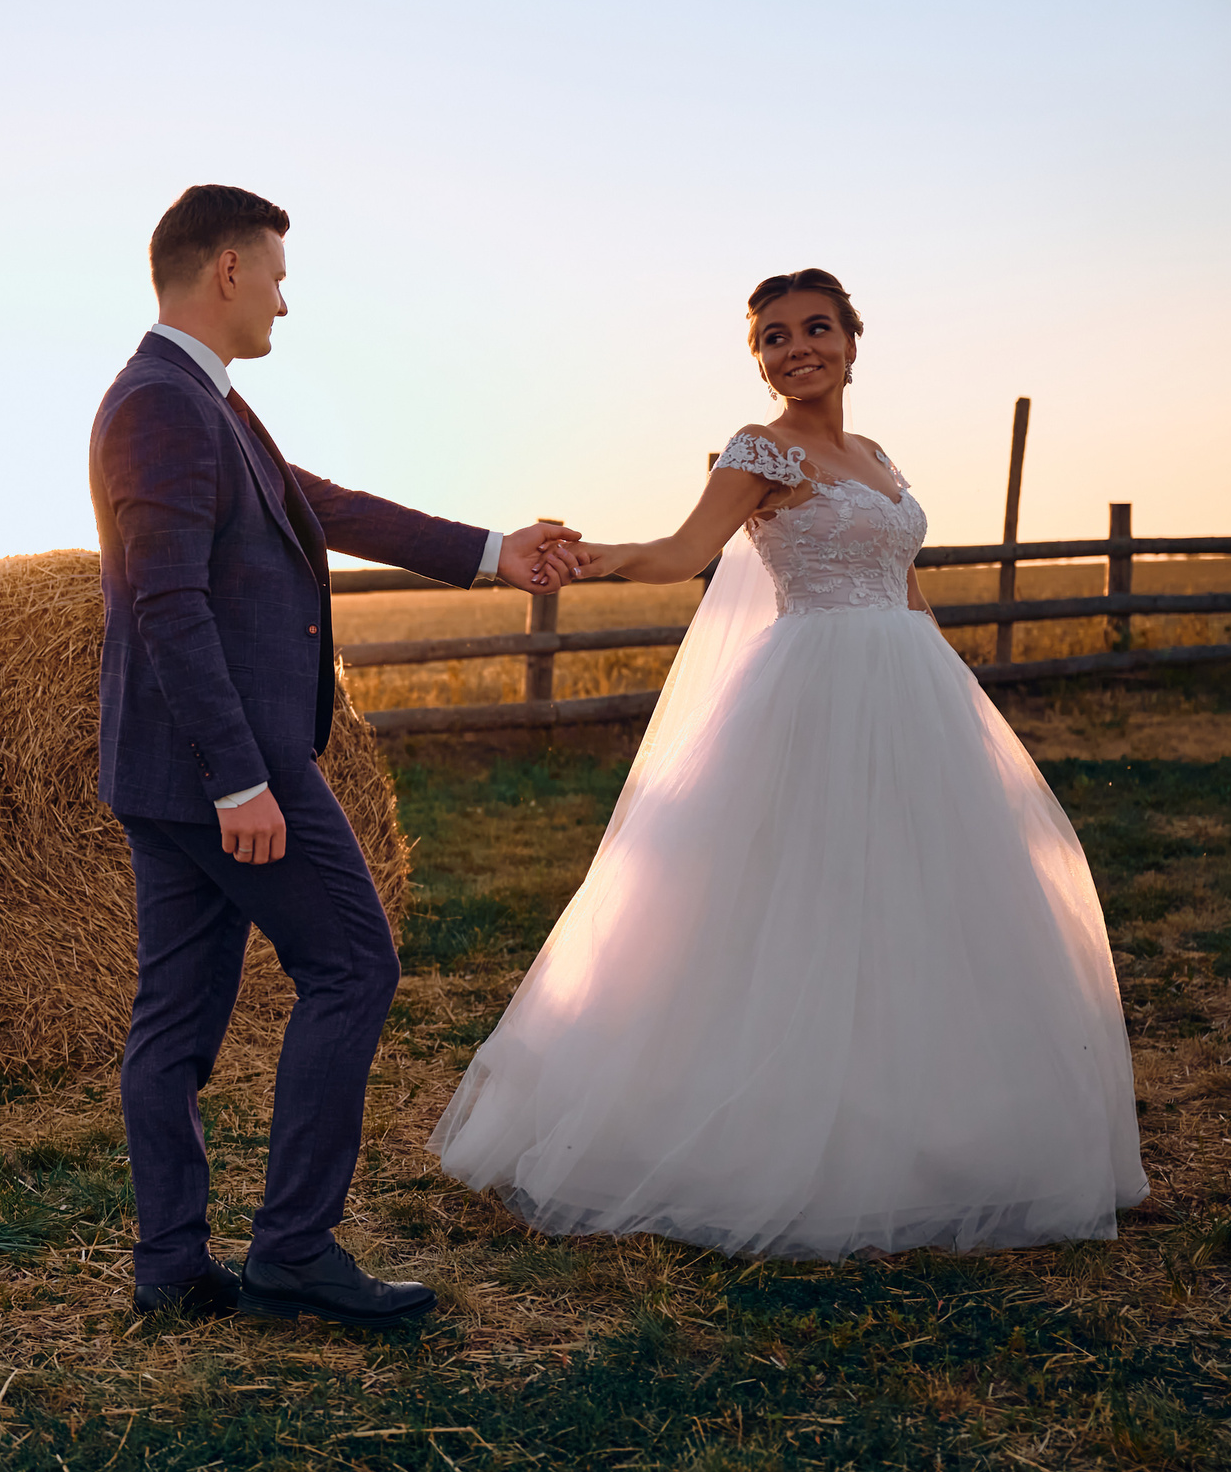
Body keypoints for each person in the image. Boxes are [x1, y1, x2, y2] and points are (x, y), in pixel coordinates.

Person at [427, 269, 1146, 1258]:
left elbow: (904, 584)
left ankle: (935, 1125)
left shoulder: (875, 455)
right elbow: (684, 552)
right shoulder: (759, 449)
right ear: (757, 357)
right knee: (802, 896)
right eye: (773, 336)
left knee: (930, 896)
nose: (796, 346)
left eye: (815, 328)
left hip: (910, 688)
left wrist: (955, 693)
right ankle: (780, 1126)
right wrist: (582, 558)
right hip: (812, 687)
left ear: (852, 340)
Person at [92, 184, 581, 1325]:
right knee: (353, 967)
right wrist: (239, 777)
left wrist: (494, 552)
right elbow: (168, 605)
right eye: (272, 275)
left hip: (169, 772)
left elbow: (322, 505)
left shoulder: (193, 400)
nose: (282, 301)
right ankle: (294, 1249)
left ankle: (171, 1267)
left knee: (173, 1020)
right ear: (223, 272)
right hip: (226, 769)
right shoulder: (166, 404)